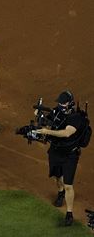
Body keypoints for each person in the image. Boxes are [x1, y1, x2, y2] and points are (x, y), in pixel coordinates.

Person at [35, 90, 87, 226]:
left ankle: (69, 213)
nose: (60, 105)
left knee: (69, 185)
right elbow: (49, 119)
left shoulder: (77, 118)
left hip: (70, 155)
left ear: (70, 104)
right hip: (55, 151)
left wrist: (47, 131)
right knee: (58, 177)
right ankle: (60, 193)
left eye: (62, 103)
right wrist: (40, 116)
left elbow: (66, 133)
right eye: (59, 103)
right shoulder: (57, 111)